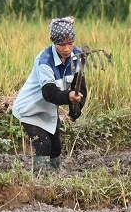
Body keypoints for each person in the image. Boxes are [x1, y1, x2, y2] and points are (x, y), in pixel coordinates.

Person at [11, 16, 84, 174]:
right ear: (54, 42)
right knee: (44, 145)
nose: (66, 49)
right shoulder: (45, 61)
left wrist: (76, 108)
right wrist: (68, 97)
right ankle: (40, 181)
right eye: (61, 44)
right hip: (30, 109)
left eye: (70, 43)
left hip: (49, 109)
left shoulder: (77, 56)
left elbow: (79, 87)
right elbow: (49, 92)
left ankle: (55, 178)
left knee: (56, 147)